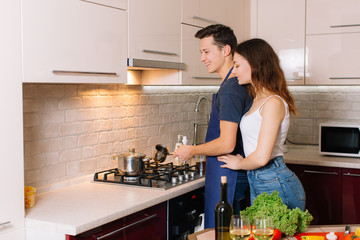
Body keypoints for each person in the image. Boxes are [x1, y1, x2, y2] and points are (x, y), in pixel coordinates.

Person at [173, 24, 253, 228]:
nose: (202, 58)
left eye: (206, 52)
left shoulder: (230, 89)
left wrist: (192, 150)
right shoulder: (237, 83)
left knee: (223, 233)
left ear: (226, 50)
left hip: (230, 177)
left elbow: (227, 143)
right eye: (201, 52)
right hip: (234, 173)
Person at [217, 38, 306, 210]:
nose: (234, 71)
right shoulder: (257, 98)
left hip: (275, 181)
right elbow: (256, 147)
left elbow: (262, 157)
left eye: (237, 65)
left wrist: (238, 164)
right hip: (260, 179)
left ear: (254, 64)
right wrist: (245, 160)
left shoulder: (273, 102)